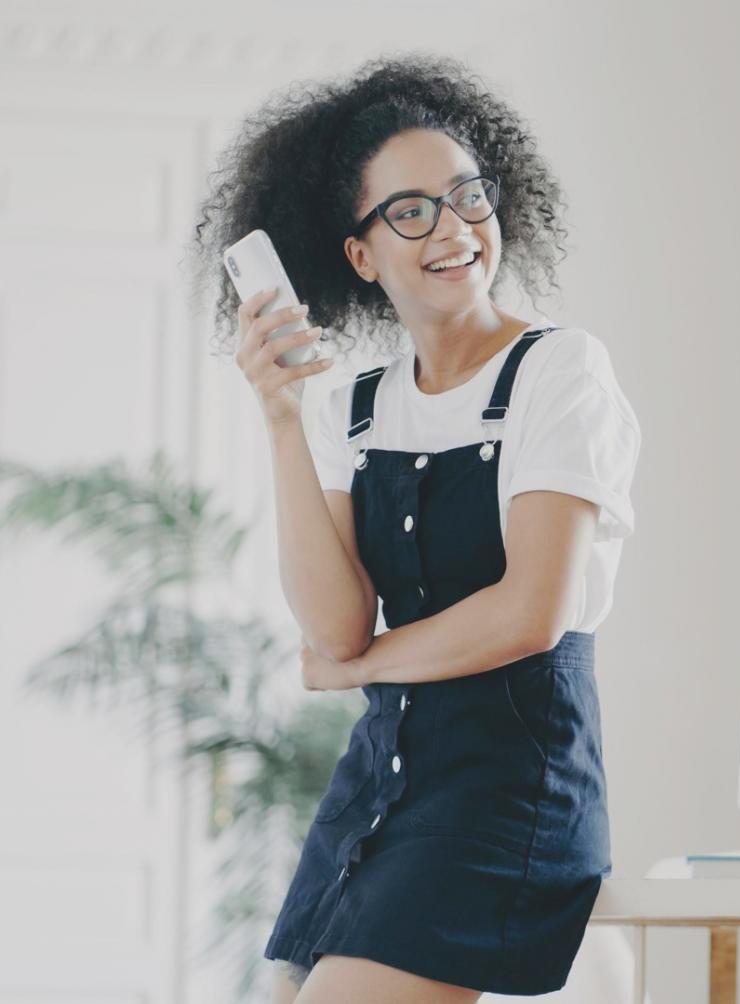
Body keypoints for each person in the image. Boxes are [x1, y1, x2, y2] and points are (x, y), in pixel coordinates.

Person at [187, 53, 641, 1003]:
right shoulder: (354, 407)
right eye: (410, 210)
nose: (454, 227)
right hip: (383, 784)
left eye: (467, 195)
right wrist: (279, 417)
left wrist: (357, 670)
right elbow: (334, 628)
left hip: (512, 790)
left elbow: (530, 614)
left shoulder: (559, 372)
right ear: (362, 255)